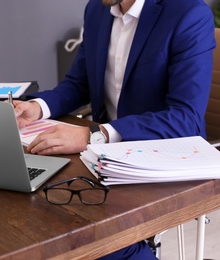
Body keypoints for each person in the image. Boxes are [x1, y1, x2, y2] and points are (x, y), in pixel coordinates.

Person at [13, 0, 216, 259]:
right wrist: (38, 107)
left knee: (92, 240)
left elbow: (186, 117)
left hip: (153, 158)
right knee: (39, 215)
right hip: (99, 159)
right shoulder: (97, 10)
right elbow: (78, 84)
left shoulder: (188, 14)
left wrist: (96, 135)